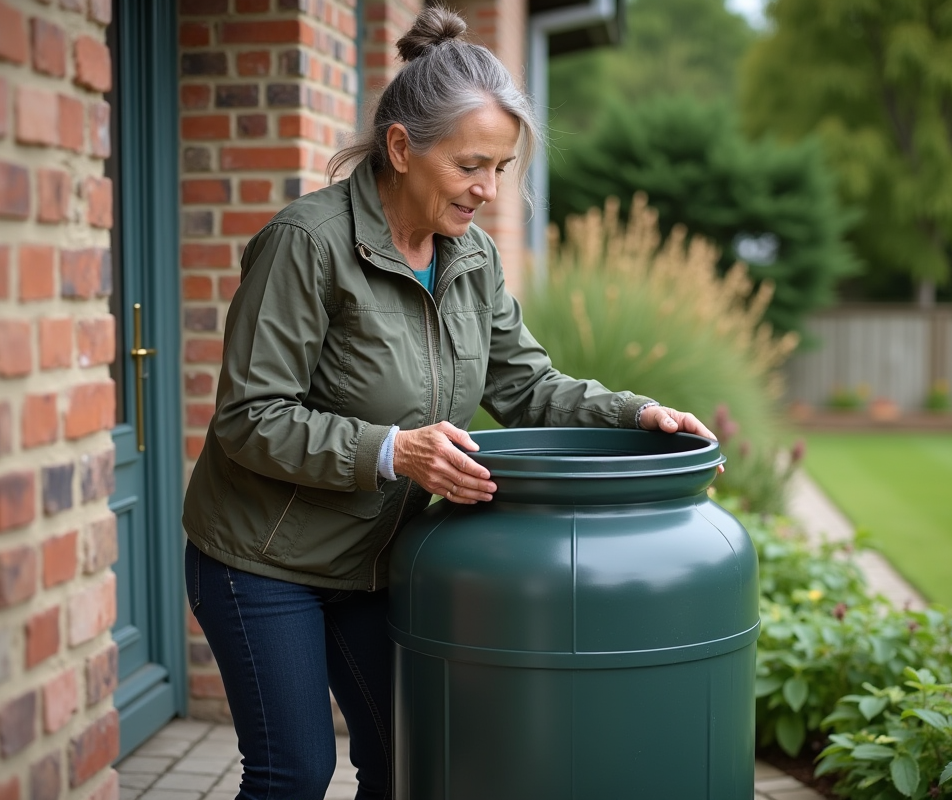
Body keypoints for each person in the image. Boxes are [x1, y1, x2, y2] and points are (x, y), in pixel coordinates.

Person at [181, 8, 719, 800]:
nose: (489, 189)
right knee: (294, 772)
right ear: (401, 148)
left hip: (376, 558)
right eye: (473, 165)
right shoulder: (307, 244)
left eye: (502, 168)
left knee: (411, 752)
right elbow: (248, 419)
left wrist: (636, 416)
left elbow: (525, 385)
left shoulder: (470, 255)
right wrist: (396, 451)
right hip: (264, 560)